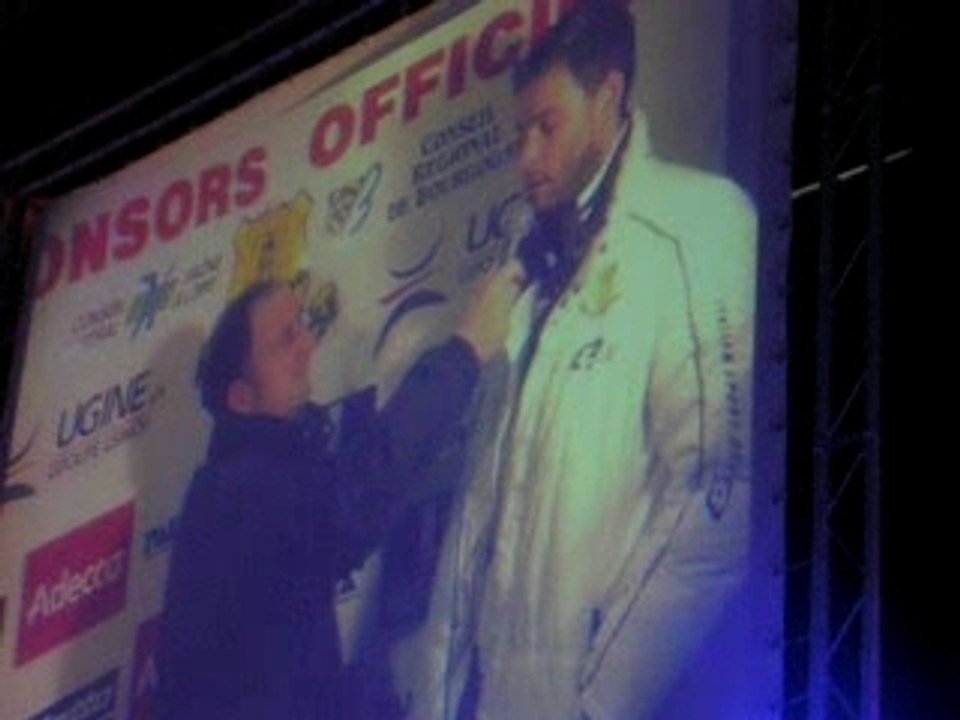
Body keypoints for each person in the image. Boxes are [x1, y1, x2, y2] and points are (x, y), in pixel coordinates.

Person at [391, 2, 757, 718]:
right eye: (519, 133)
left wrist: (594, 702)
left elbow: (715, 505)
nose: (526, 157)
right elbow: (478, 514)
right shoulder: (519, 271)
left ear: (609, 100)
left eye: (546, 127)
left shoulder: (700, 226)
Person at [155, 267, 521, 720]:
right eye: (285, 341)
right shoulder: (237, 496)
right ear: (242, 398)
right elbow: (356, 500)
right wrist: (465, 352)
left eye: (302, 326)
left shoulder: (267, 464)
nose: (308, 345)